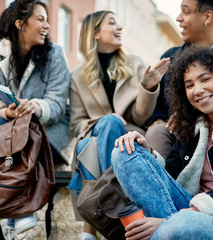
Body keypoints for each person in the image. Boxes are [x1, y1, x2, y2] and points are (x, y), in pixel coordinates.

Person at [111, 46, 213, 240]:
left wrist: (175, 220)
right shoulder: (195, 126)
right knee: (123, 152)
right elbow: (169, 179)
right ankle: (167, 231)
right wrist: (147, 151)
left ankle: (167, 230)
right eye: (189, 85)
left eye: (205, 79)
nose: (197, 90)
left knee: (179, 226)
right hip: (185, 212)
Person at [67, 11, 170, 240]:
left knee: (90, 146)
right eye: (112, 23)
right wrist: (106, 120)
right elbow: (76, 124)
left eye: (119, 23)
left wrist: (147, 87)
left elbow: (141, 116)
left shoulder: (134, 63)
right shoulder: (76, 77)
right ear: (95, 33)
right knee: (94, 137)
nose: (120, 27)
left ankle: (93, 223)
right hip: (94, 138)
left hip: (131, 137)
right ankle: (115, 202)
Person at [0, 0, 71, 238]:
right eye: (41, 19)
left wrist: (34, 106)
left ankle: (13, 213)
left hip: (48, 134)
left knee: (18, 135)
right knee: (1, 123)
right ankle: (20, 214)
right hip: (9, 134)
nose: (47, 25)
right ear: (20, 24)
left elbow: (57, 102)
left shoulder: (55, 54)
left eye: (47, 19)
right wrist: (6, 111)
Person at [145, 0, 213, 159]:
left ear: (208, 16)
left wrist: (189, 117)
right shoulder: (169, 59)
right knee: (156, 132)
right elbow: (157, 109)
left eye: (186, 11)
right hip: (176, 140)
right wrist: (157, 119)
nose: (178, 18)